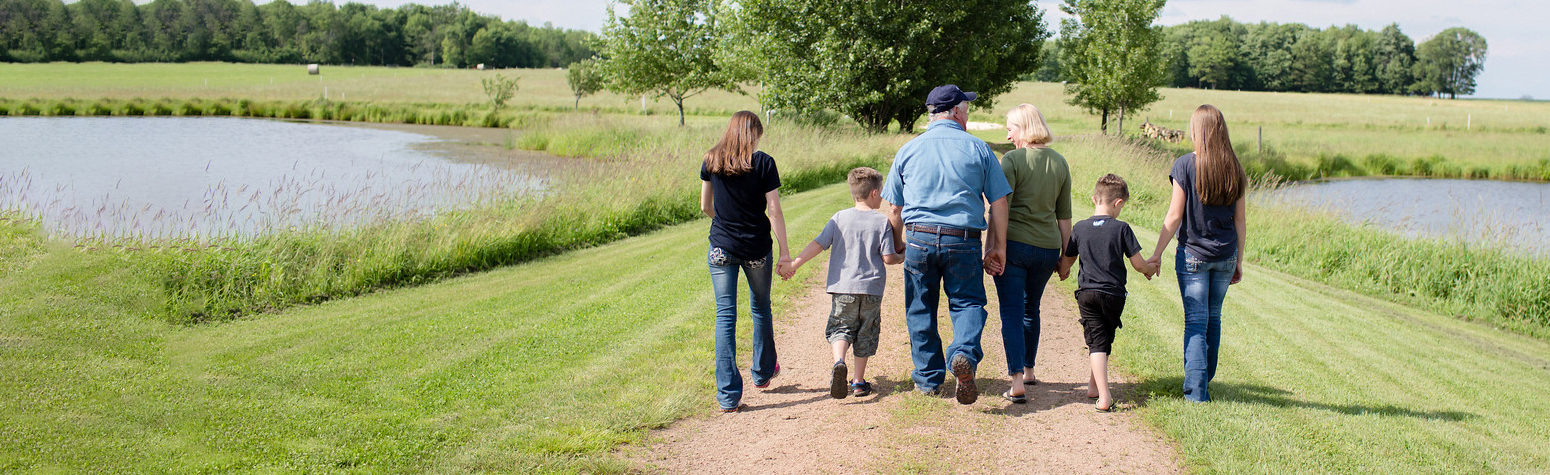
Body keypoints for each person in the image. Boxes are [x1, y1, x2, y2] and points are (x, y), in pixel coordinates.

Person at [881, 84, 1012, 405]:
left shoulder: (908, 150)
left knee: (920, 308)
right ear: (955, 111)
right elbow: (999, 201)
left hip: (919, 239)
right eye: (966, 108)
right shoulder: (979, 149)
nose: (968, 113)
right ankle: (963, 353)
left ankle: (927, 379)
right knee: (967, 303)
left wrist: (897, 245)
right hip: (962, 240)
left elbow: (894, 209)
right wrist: (998, 247)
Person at [1146, 104, 1248, 403]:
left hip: (1193, 255)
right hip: (1225, 254)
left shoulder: (1185, 165)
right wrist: (1238, 260)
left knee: (1195, 320)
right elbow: (1240, 219)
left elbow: (1175, 215)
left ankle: (1195, 392)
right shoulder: (1235, 168)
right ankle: (1204, 380)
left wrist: (1157, 253)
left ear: (1197, 131)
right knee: (1213, 318)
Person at [780, 167, 903, 399]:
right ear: (875, 193)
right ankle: (857, 382)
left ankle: (839, 362)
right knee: (865, 332)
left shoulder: (839, 218)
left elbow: (818, 244)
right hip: (871, 290)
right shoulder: (881, 222)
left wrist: (795, 264)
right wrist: (902, 255)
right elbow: (888, 258)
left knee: (840, 328)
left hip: (843, 288)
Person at [700, 110, 794, 413]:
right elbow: (775, 211)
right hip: (756, 249)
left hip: (721, 249)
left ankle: (728, 396)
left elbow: (705, 206)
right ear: (752, 134)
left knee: (725, 317)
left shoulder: (711, 159)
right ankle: (763, 373)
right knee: (760, 308)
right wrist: (785, 252)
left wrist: (727, 224)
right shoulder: (764, 163)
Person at [988, 103, 1072, 404]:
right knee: (1030, 307)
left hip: (1015, 246)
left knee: (1011, 310)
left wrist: (993, 247)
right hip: (1047, 249)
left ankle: (1016, 381)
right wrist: (1066, 256)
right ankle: (1029, 368)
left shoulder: (1012, 160)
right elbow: (1064, 216)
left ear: (1022, 128)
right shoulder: (1060, 162)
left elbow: (1000, 208)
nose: (1008, 135)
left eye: (1010, 128)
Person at [1057, 174, 1158, 412]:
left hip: (1087, 293)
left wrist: (1062, 271)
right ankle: (1102, 395)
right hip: (1113, 294)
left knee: (1097, 340)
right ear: (1118, 203)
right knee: (1103, 339)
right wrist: (1151, 269)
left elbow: (1068, 260)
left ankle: (1096, 388)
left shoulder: (1080, 228)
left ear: (1094, 198)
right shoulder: (1122, 229)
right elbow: (1138, 264)